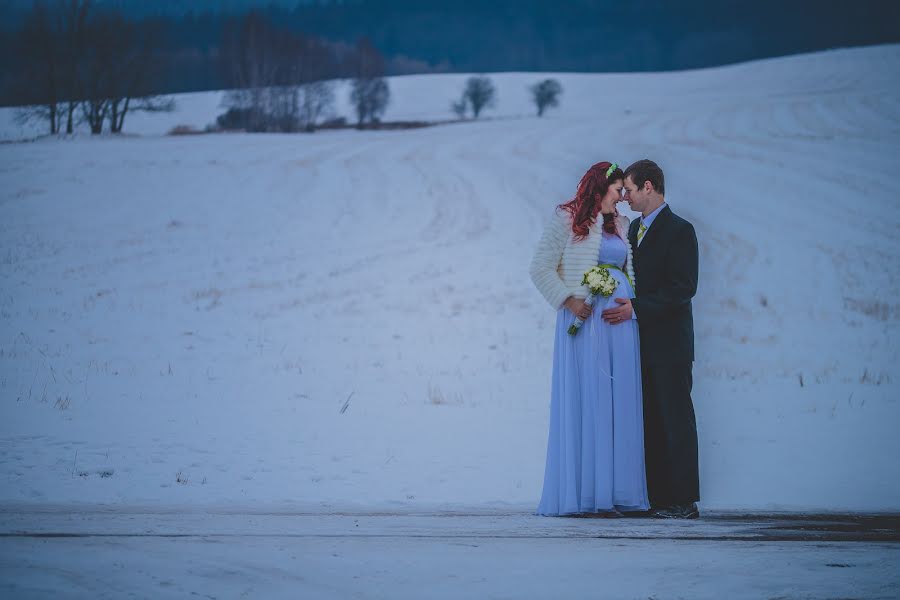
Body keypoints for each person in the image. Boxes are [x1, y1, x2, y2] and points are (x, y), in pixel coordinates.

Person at [529, 161, 649, 517]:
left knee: (620, 400)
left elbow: (629, 271)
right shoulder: (568, 220)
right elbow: (539, 267)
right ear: (601, 188)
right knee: (591, 398)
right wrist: (570, 300)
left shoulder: (622, 225)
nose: (622, 198)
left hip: (621, 327)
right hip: (585, 321)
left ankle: (617, 491)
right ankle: (586, 493)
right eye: (617, 191)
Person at [601, 159, 700, 519]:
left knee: (676, 420)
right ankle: (657, 497)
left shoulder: (680, 230)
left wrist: (636, 308)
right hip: (638, 344)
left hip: (671, 344)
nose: (624, 196)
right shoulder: (632, 233)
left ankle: (684, 501)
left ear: (649, 187)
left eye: (628, 188)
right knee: (650, 421)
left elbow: (683, 289)